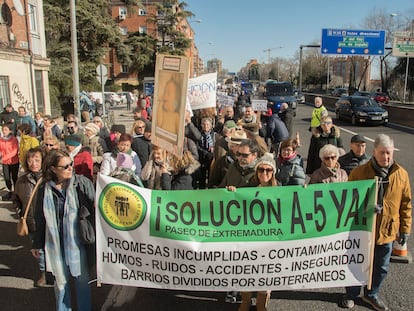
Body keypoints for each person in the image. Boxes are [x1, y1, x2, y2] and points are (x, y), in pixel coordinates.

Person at [340, 134, 412, 311]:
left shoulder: (401, 174)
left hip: (387, 230)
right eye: (382, 153)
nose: (386, 157)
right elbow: (348, 201)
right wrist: (365, 208)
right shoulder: (359, 173)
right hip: (362, 230)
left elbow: (406, 204)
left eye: (389, 153)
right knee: (356, 264)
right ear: (374, 152)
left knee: (381, 267)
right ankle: (351, 294)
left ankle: (371, 294)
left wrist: (404, 229)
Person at [32, 149, 95, 311]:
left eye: (71, 164)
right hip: (55, 243)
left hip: (78, 241)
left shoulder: (82, 183)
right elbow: (39, 218)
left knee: (82, 282)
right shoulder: (44, 189)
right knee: (60, 283)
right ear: (53, 169)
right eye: (65, 166)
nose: (70, 168)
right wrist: (36, 243)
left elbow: (95, 210)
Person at [235, 153, 276, 311]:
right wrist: (232, 191)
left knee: (265, 272)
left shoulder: (282, 191)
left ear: (273, 173)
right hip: (250, 239)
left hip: (269, 241)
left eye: (268, 170)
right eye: (261, 170)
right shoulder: (247, 189)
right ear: (256, 171)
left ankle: (261, 302)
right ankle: (245, 300)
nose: (264, 173)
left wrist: (303, 192)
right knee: (247, 269)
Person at [14, 147, 48, 286]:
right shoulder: (22, 180)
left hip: (48, 221)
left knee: (51, 248)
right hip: (32, 222)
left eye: (37, 160)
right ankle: (44, 273)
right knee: (39, 250)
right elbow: (16, 199)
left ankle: (55, 272)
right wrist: (20, 213)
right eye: (30, 160)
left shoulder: (49, 178)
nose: (33, 163)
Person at [0, 124, 19, 200]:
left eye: (5, 130)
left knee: (14, 178)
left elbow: (14, 151)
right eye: (3, 130)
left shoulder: (14, 139)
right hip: (5, 163)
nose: (4, 131)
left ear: (10, 131)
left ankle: (17, 192)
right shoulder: (1, 139)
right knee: (7, 178)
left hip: (14, 161)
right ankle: (10, 191)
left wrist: (4, 158)